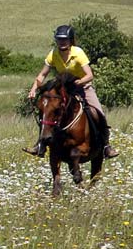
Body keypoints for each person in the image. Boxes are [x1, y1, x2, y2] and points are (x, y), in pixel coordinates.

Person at [24, 25, 119, 159]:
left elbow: (89, 75)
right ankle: (40, 144)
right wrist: (33, 89)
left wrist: (80, 82)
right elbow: (42, 75)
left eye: (65, 40)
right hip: (63, 88)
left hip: (82, 87)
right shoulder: (53, 54)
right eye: (59, 40)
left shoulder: (78, 53)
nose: (62, 42)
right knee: (47, 112)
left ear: (70, 40)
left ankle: (105, 146)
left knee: (98, 113)